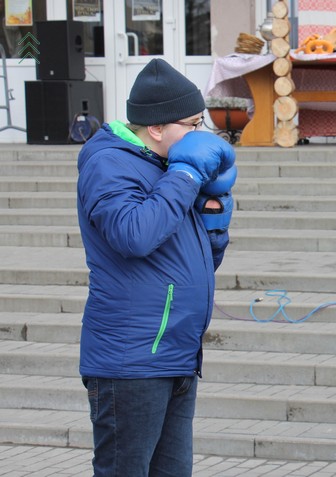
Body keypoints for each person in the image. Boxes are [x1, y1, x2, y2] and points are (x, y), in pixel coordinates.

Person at [77, 58, 237, 476]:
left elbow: (190, 264)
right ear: (157, 128)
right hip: (132, 361)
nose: (201, 135)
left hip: (176, 354)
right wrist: (184, 175)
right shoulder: (108, 163)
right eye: (193, 123)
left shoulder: (163, 165)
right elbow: (134, 235)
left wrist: (214, 228)